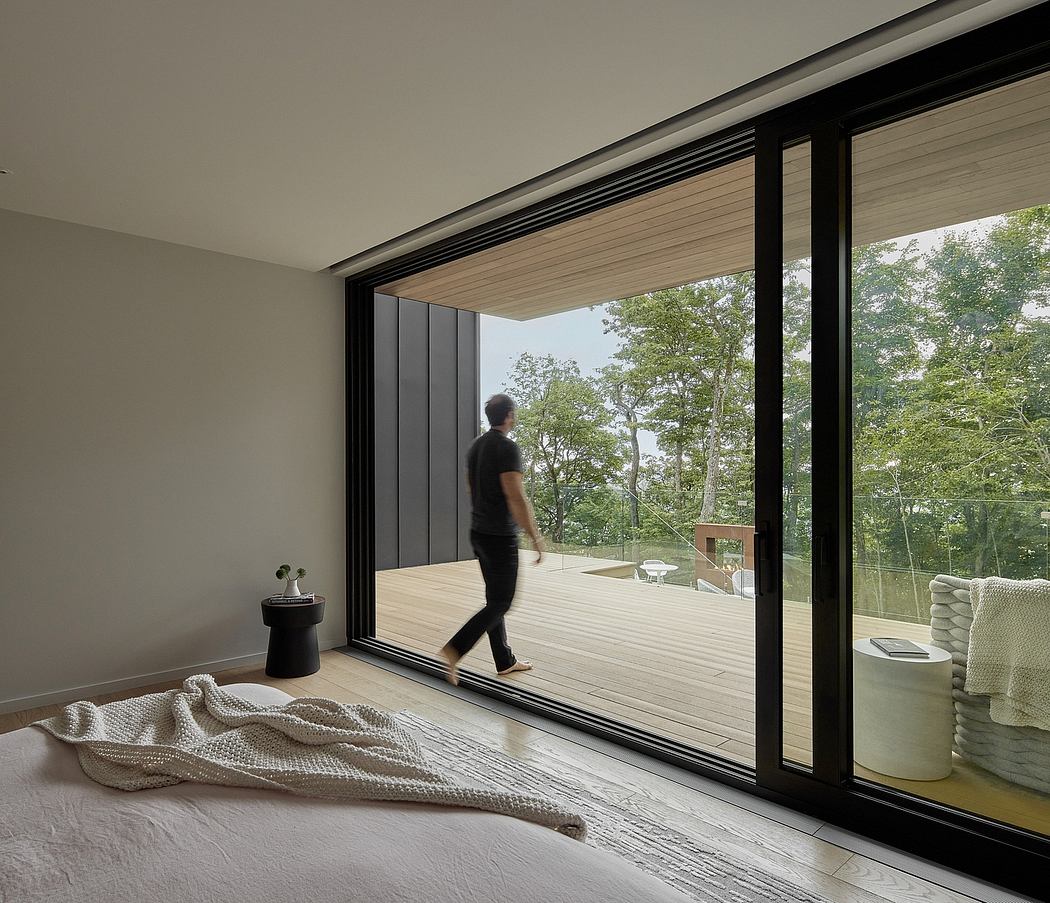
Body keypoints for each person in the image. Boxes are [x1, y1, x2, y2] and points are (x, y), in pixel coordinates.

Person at [440, 394, 544, 686]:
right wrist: (535, 536)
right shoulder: (507, 448)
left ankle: (504, 660)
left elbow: (471, 488)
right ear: (509, 415)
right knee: (501, 602)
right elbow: (515, 496)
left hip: (479, 532)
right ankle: (454, 649)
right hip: (500, 537)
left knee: (494, 599)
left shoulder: (476, 446)